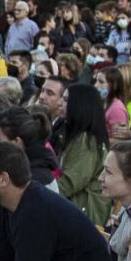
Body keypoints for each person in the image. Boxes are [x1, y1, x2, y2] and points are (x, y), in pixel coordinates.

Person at [52, 79, 110, 217]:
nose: (60, 103)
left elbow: (70, 183)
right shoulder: (68, 132)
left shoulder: (86, 141)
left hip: (84, 212)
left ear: (80, 106)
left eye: (66, 100)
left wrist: (38, 193)